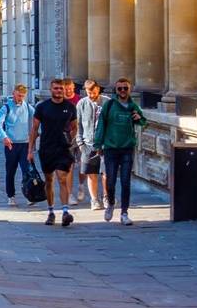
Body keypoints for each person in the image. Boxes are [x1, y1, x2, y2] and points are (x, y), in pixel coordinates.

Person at [94, 78, 148, 226]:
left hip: (127, 149)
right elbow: (101, 125)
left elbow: (144, 123)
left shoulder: (133, 106)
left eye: (125, 88)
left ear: (129, 90)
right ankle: (111, 203)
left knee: (125, 182)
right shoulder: (109, 105)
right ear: (116, 91)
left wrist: (139, 118)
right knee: (110, 182)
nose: (123, 91)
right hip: (110, 149)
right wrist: (98, 144)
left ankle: (124, 213)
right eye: (120, 89)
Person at [28, 78, 79, 227]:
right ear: (51, 90)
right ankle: (50, 211)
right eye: (56, 88)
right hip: (46, 147)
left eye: (61, 89)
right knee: (49, 180)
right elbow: (34, 129)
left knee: (62, 178)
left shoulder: (70, 107)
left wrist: (71, 137)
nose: (58, 91)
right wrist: (30, 150)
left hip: (63, 148)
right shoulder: (42, 107)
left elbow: (75, 126)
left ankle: (65, 211)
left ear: (64, 90)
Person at [0, 84, 33, 206]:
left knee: (27, 171)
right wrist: (4, 137)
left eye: (22, 96)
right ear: (13, 93)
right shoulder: (6, 107)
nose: (20, 98)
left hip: (25, 144)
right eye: (18, 95)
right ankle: (11, 195)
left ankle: (29, 195)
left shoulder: (27, 106)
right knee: (11, 171)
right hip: (11, 144)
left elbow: (38, 118)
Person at [75, 80, 106, 210]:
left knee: (106, 173)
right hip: (87, 143)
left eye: (93, 92)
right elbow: (78, 124)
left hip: (105, 144)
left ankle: (106, 196)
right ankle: (94, 199)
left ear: (98, 89)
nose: (91, 95)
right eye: (89, 93)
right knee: (91, 173)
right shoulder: (82, 103)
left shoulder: (107, 102)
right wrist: (80, 142)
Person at [62, 77, 84, 204]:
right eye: (66, 89)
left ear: (73, 88)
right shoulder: (60, 101)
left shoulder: (80, 100)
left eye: (70, 88)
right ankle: (70, 195)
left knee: (83, 165)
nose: (69, 91)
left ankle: (81, 185)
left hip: (81, 136)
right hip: (66, 137)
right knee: (69, 167)